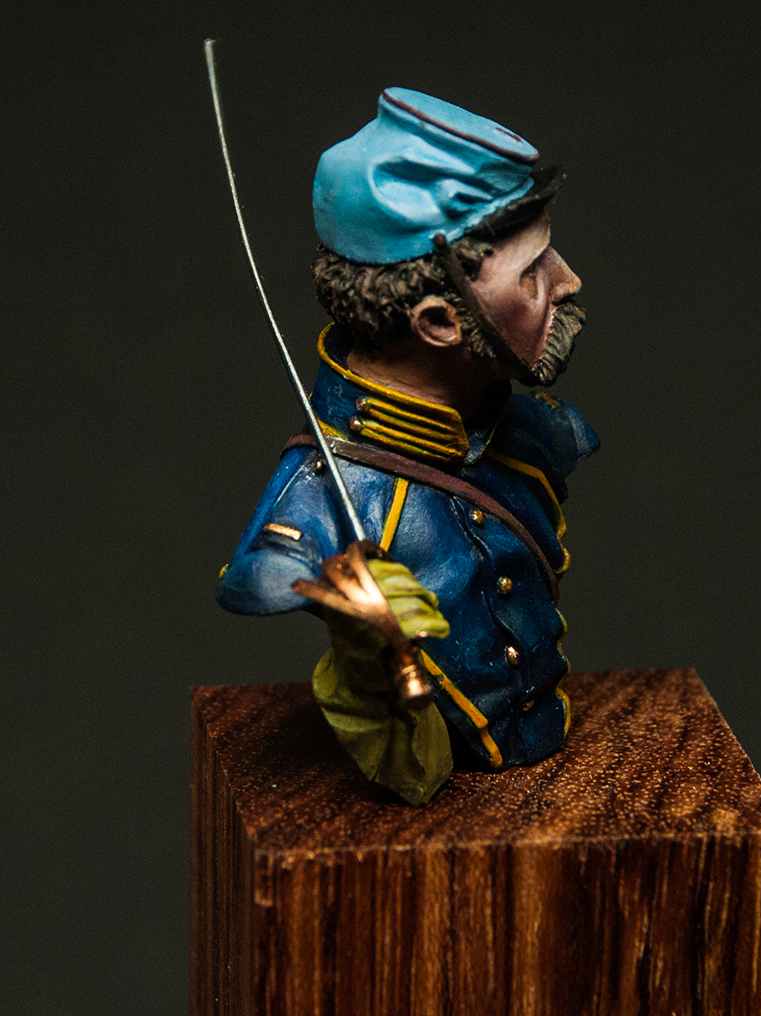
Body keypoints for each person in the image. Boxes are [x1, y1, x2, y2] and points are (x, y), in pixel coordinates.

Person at [217, 88, 599, 804]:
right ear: (439, 322)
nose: (568, 280)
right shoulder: (314, 508)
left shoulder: (533, 434)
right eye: (531, 273)